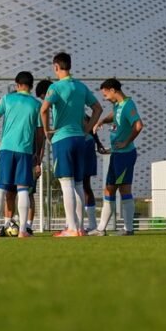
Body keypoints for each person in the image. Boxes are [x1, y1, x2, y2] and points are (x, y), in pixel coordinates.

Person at [40, 52, 102, 236]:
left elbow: (43, 109)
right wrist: (87, 129)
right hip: (80, 139)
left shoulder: (55, 87)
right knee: (78, 184)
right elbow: (97, 108)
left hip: (63, 139)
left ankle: (72, 228)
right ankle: (80, 227)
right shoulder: (81, 87)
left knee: (66, 183)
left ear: (56, 67)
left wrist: (46, 130)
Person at [0, 71, 43, 238]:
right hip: (25, 151)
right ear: (31, 86)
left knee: (1, 188)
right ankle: (23, 231)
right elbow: (40, 133)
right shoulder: (36, 104)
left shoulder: (7, 99)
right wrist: (38, 155)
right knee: (23, 189)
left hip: (5, 149)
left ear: (17, 84)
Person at [93, 78, 144, 236]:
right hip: (117, 155)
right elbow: (113, 115)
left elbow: (138, 125)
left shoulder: (129, 105)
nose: (105, 97)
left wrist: (127, 142)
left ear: (113, 90)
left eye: (106, 94)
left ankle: (128, 229)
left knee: (123, 190)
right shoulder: (117, 106)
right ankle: (101, 229)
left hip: (125, 155)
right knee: (109, 190)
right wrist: (102, 121)